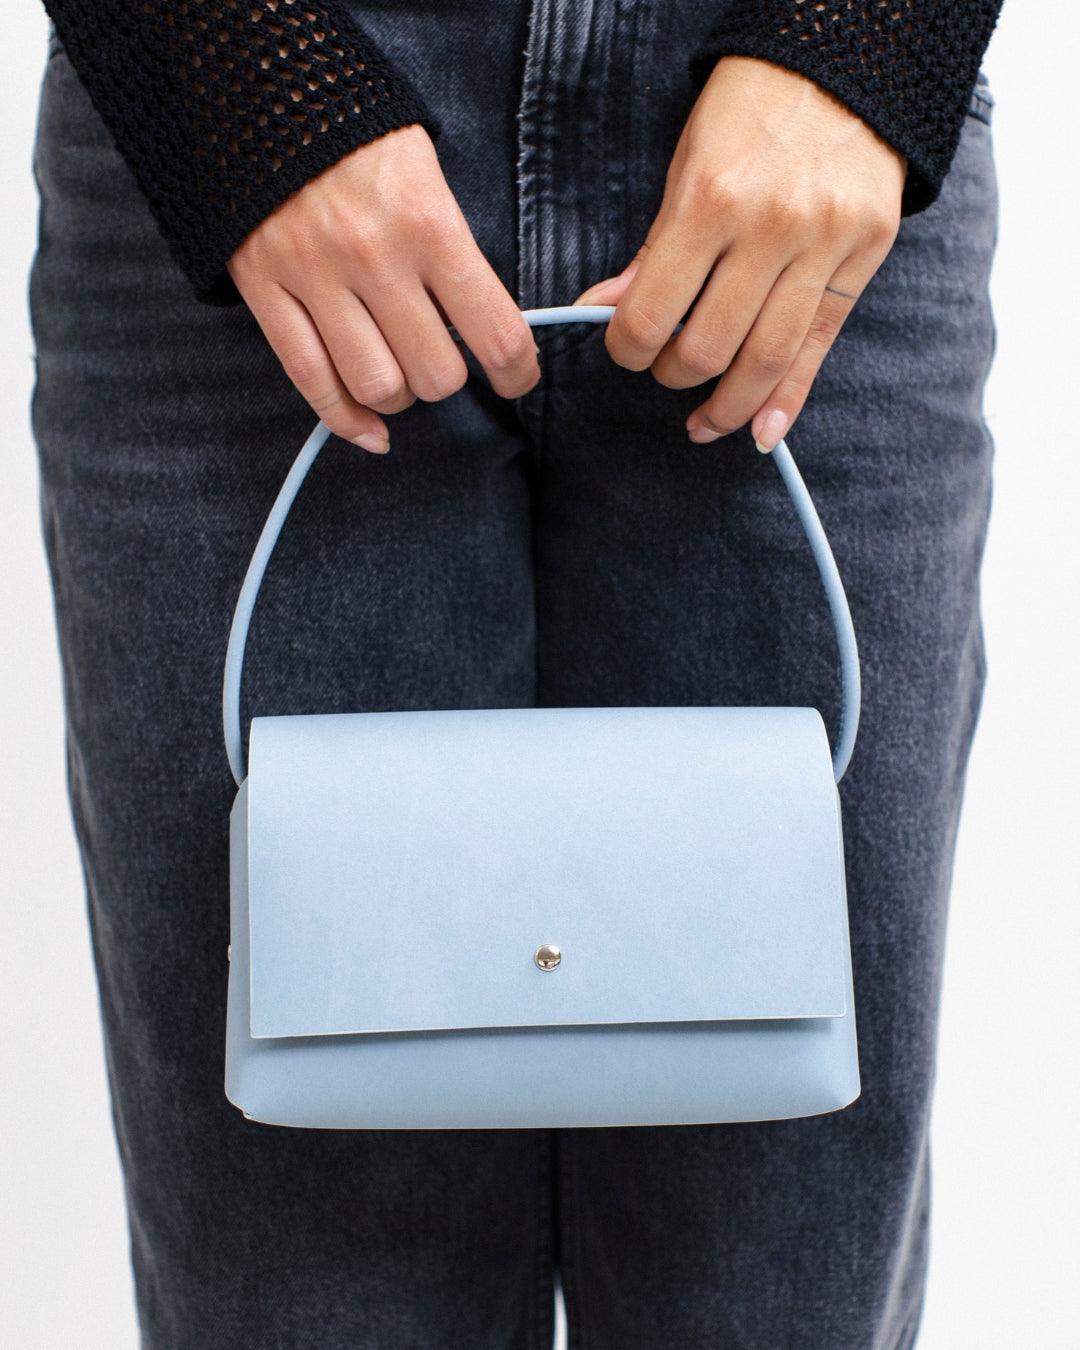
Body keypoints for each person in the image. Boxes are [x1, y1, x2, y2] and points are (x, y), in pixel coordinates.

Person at [29, 2, 1003, 1345]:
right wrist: (242, 73)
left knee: (779, 1295)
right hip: (244, 131)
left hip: (807, 160)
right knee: (305, 1293)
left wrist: (865, 45)